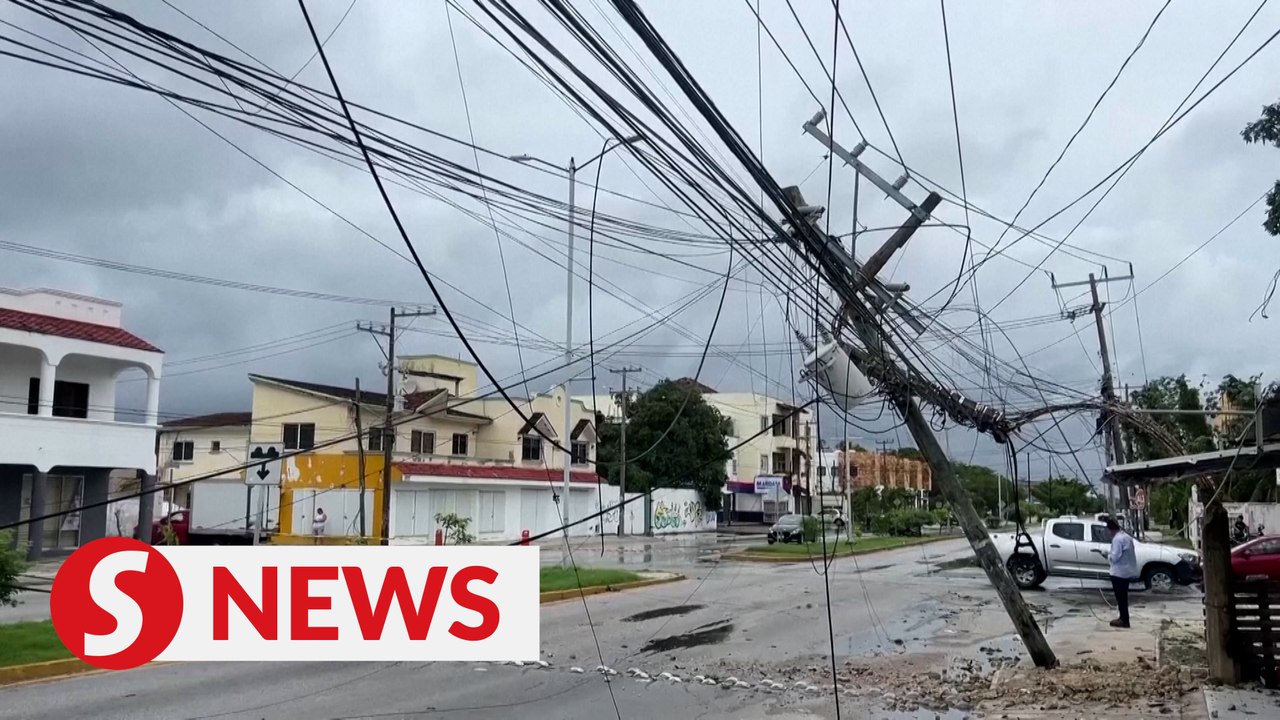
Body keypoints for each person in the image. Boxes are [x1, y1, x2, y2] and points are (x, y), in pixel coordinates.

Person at [1104, 517, 1138, 628]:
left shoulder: (1117, 540)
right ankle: (1123, 617)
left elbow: (1115, 557)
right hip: (1126, 571)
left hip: (1118, 572)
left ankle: (1124, 619)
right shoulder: (1126, 537)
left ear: (1111, 529)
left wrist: (1107, 555)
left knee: (1120, 598)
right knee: (1123, 597)